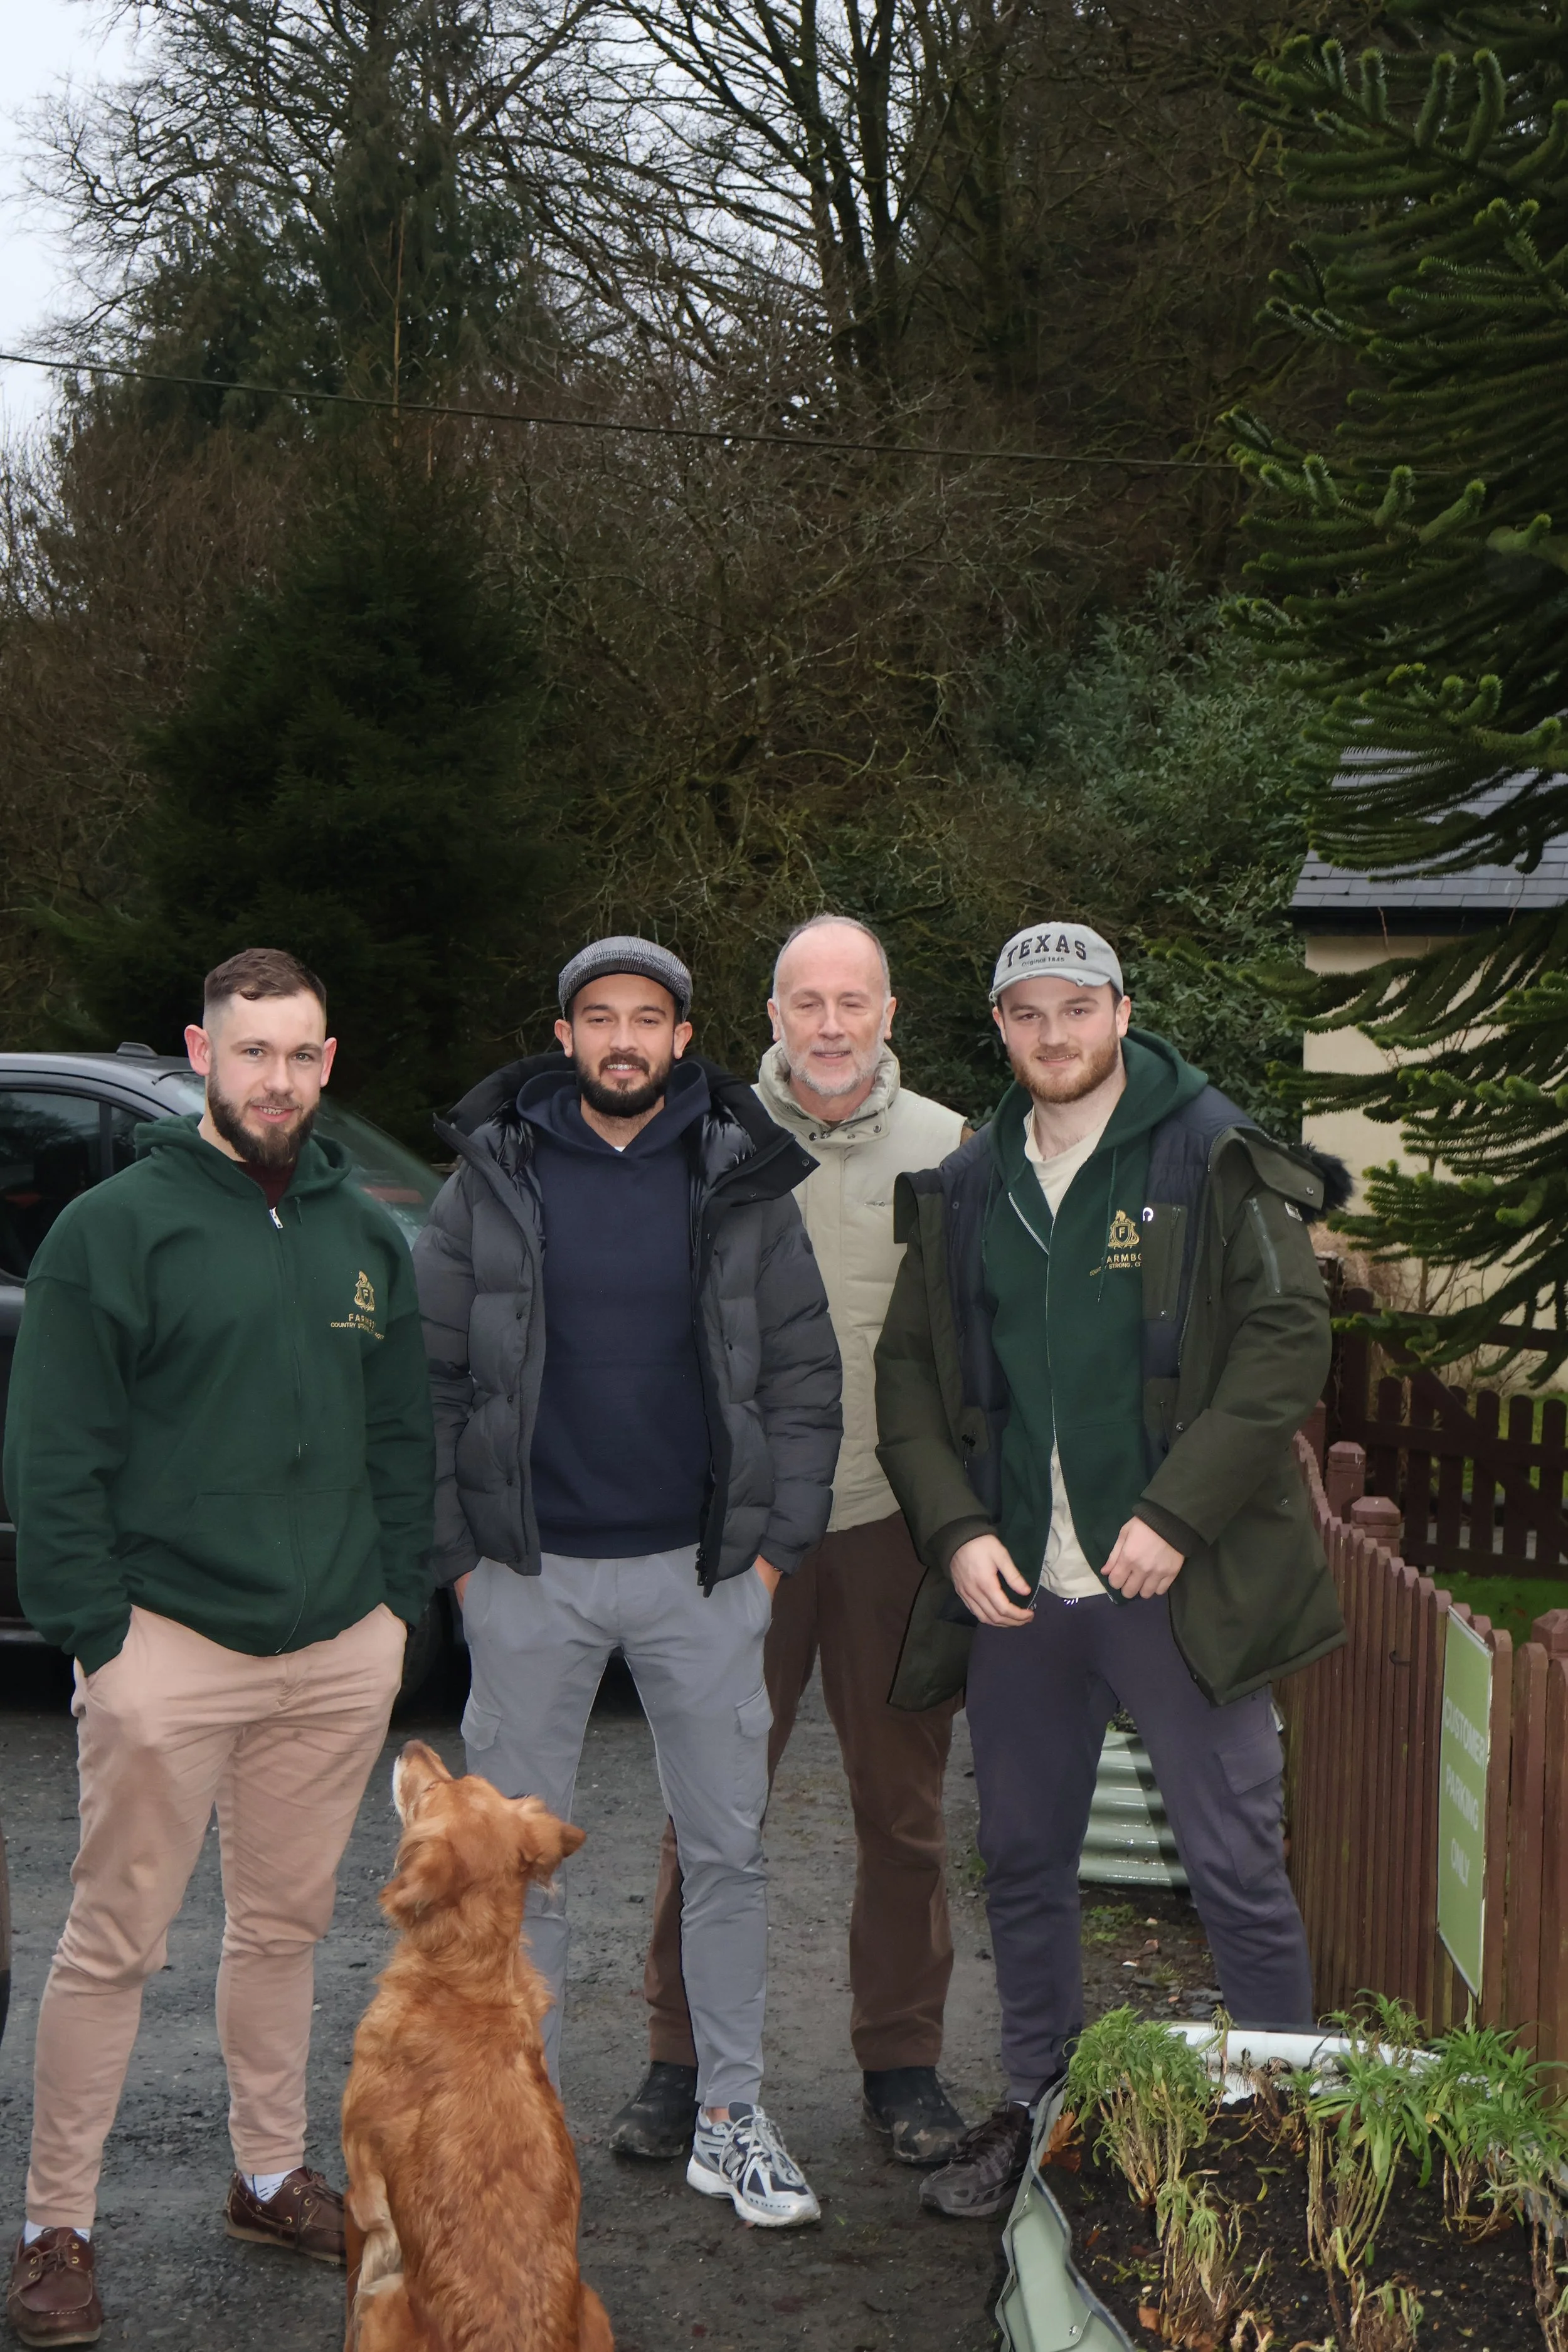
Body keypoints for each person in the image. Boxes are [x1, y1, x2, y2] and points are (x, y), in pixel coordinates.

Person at [874, 921, 1348, 2221]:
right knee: (1021, 1858)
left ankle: (1276, 2129)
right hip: (1020, 1592)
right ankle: (1038, 2116)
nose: (1050, 1035)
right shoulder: (967, 1184)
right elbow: (908, 1380)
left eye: (1072, 1009)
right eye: (1023, 1014)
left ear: (1120, 1014)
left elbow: (1281, 1351)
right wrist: (956, 1528)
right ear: (999, 1030)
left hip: (1170, 1584)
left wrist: (1177, 1514)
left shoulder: (1210, 1155)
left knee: (1233, 1863)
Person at [4, 948, 435, 2349]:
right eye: (252, 1053)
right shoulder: (117, 1229)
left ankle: (266, 2174)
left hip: (332, 1647)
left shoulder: (362, 1236)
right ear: (201, 1050)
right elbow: (54, 1452)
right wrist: (100, 1636)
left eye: (302, 1055)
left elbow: (397, 1439)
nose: (278, 1081)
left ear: (329, 1060)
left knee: (285, 1927)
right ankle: (56, 2226)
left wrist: (390, 1607)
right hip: (167, 1646)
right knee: (114, 1941)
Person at [412, 937, 842, 2230]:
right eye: (596, 1018)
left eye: (643, 1020)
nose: (619, 1039)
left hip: (700, 1575)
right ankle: (513, 2126)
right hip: (528, 1574)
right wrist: (465, 1567)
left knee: (726, 1851)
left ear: (679, 1037)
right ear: (561, 1038)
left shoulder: (741, 1175)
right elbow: (425, 1384)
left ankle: (730, 2118)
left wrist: (768, 1556)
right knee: (505, 1867)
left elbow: (805, 1380)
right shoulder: (488, 1178)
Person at [617, 914, 970, 2170]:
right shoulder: (696, 1141)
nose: (829, 1025)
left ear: (888, 1014)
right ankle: (677, 2059)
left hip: (892, 1530)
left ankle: (903, 2063)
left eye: (852, 1002)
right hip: (734, 1534)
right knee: (705, 1808)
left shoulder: (951, 1151)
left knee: (905, 1813)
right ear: (768, 1016)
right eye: (803, 1002)